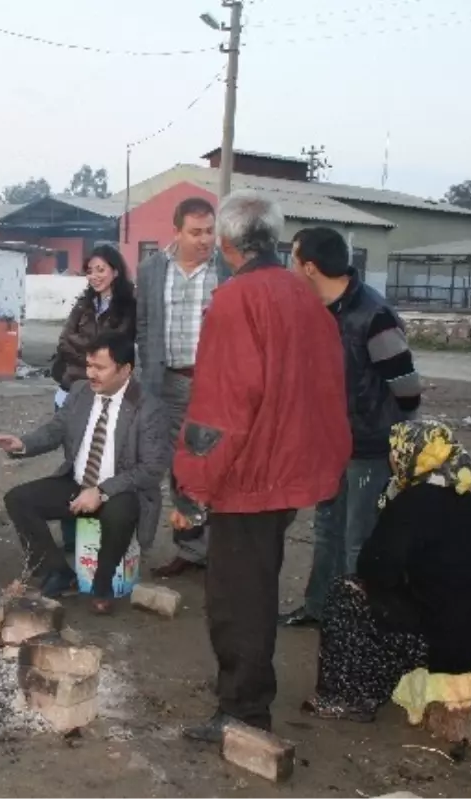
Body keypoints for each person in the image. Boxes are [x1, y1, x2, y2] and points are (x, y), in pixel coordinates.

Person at [173, 191, 350, 740]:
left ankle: (243, 711)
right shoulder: (304, 297)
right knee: (257, 586)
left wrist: (193, 482)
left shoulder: (236, 299)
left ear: (226, 243)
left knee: (237, 600)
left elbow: (224, 405)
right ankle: (243, 693)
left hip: (249, 476)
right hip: (288, 470)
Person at [303, 421, 471, 737]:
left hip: (455, 646)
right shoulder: (459, 494)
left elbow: (374, 569)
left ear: (410, 455)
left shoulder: (411, 502)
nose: (391, 458)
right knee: (400, 600)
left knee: (346, 594)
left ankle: (345, 698)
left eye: (395, 450)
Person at [281, 227, 423, 628]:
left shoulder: (373, 315)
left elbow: (407, 388)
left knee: (358, 539)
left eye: (293, 260)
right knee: (327, 530)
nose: (290, 268)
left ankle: (356, 625)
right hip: (329, 446)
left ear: (309, 266)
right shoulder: (316, 311)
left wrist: (381, 426)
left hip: (369, 448)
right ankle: (319, 607)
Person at [0, 332, 170, 615]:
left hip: (121, 490)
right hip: (77, 482)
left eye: (100, 367)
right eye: (89, 365)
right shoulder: (80, 392)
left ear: (125, 369)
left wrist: (101, 492)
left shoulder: (149, 407)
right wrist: (23, 443)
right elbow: (56, 430)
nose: (91, 373)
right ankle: (58, 572)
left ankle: (102, 584)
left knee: (119, 513)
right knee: (18, 499)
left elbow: (151, 470)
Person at [134, 198, 230, 579]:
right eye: (196, 232)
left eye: (210, 231)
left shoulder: (227, 268)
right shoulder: (152, 269)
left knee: (218, 464)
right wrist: (149, 372)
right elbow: (144, 324)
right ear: (176, 231)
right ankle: (190, 548)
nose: (205, 240)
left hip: (215, 384)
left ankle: (220, 550)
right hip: (169, 382)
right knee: (180, 466)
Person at [51, 243, 137, 555]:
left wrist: (91, 352)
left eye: (101, 269)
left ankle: (103, 538)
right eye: (90, 270)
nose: (95, 275)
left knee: (103, 466)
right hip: (70, 390)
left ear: (115, 270)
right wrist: (94, 355)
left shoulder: (128, 306)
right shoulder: (84, 304)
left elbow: (118, 349)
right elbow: (64, 342)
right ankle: (74, 540)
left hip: (105, 395)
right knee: (73, 466)